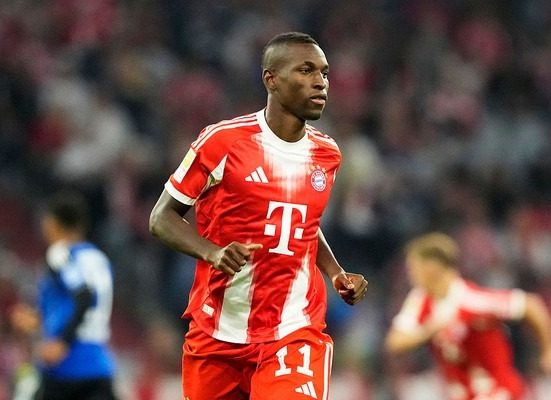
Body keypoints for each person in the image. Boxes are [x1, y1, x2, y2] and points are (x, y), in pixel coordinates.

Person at [149, 31, 369, 400]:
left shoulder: (327, 154)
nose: (320, 82)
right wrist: (212, 252)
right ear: (272, 80)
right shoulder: (222, 142)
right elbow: (161, 218)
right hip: (218, 332)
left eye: (324, 73)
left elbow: (303, 223)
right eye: (306, 70)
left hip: (293, 330)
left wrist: (334, 272)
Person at [385, 232, 551, 400]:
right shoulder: (420, 299)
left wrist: (547, 350)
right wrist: (429, 330)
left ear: (432, 267)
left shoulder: (471, 300)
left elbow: (531, 305)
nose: (411, 274)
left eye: (414, 267)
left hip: (497, 391)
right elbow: (395, 342)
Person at [11, 190, 117, 400]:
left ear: (53, 223)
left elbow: (84, 295)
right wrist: (37, 319)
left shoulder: (60, 253)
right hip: (99, 365)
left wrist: (62, 343)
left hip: (67, 368)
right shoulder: (99, 259)